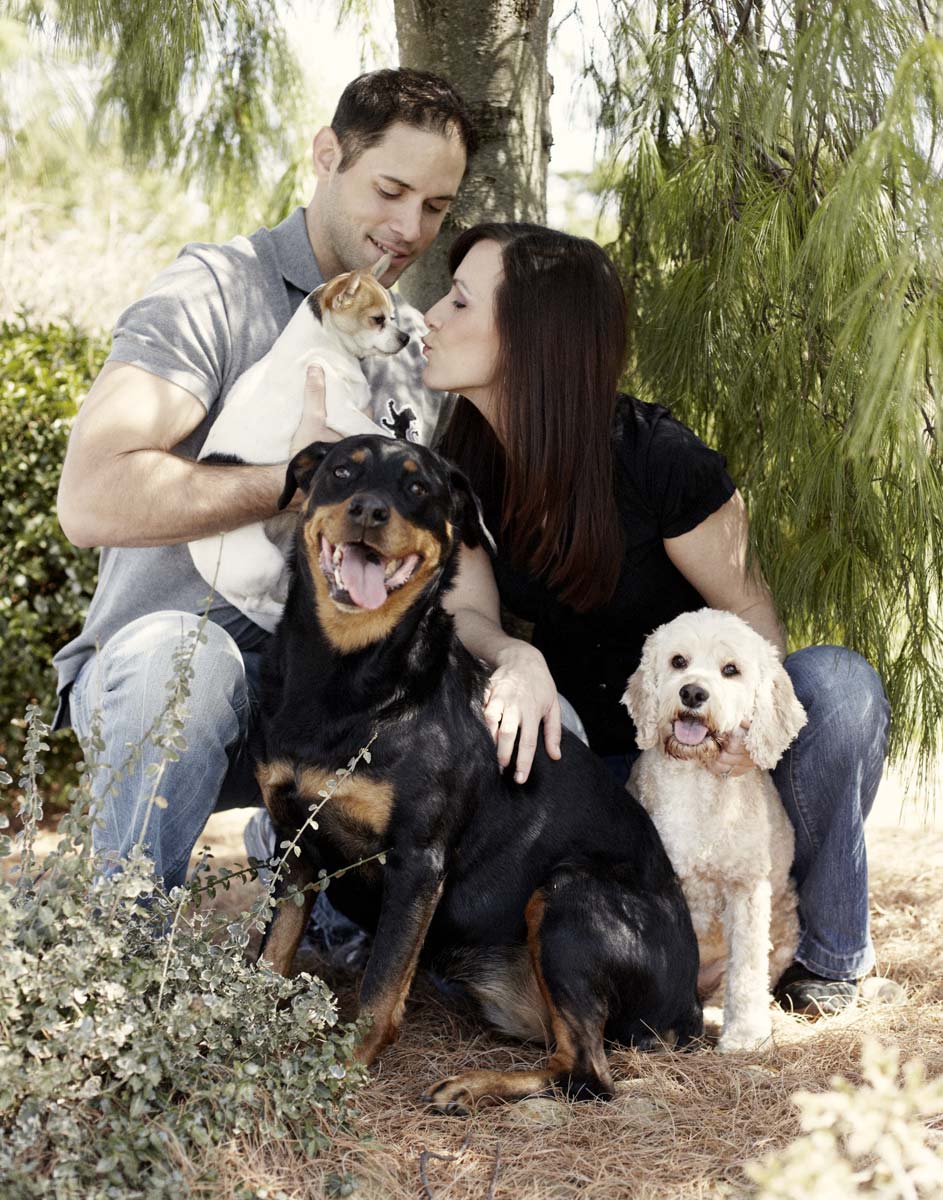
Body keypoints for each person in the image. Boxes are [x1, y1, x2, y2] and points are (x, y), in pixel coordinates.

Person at [421, 222, 890, 1017]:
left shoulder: (657, 456)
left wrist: (738, 733)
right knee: (474, 705)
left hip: (706, 761)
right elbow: (464, 610)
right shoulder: (461, 458)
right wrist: (515, 656)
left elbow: (749, 611)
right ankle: (535, 960)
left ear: (534, 337)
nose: (431, 314)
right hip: (588, 778)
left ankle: (825, 958)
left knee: (838, 685)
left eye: (459, 301)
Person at [53, 68, 479, 895]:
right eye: (390, 191)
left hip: (331, 708)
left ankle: (302, 862)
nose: (408, 230)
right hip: (169, 683)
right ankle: (120, 950)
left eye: (435, 207)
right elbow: (90, 497)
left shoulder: (408, 347)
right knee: (188, 662)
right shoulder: (214, 290)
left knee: (526, 717)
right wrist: (295, 479)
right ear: (327, 155)